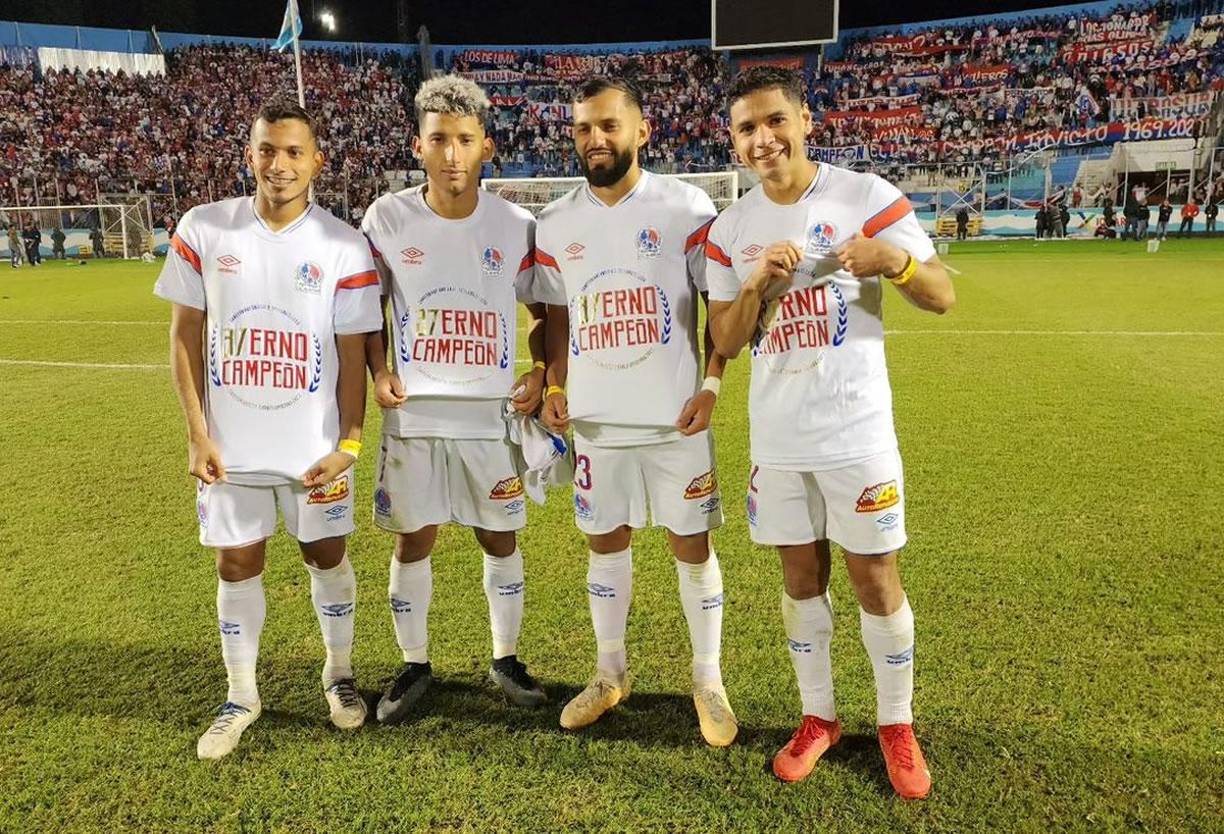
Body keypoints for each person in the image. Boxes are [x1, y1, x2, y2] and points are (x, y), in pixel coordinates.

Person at [705, 66, 955, 800]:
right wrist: (754, 285)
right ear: (733, 140)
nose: (763, 138)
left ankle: (895, 723)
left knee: (875, 577)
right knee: (799, 579)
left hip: (857, 433)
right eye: (747, 128)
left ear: (806, 120)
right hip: (778, 440)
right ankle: (819, 717)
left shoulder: (865, 197)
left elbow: (941, 294)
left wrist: (896, 261)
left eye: (775, 121)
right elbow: (722, 337)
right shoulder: (730, 229)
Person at [153, 100, 382, 760]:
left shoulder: (342, 244)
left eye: (292, 153)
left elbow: (352, 352)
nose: (279, 164)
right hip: (232, 448)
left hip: (313, 451)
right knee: (236, 561)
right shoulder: (206, 229)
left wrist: (349, 444)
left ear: (317, 161)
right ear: (249, 155)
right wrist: (197, 434)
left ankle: (338, 677)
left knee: (326, 557)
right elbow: (184, 337)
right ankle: (241, 694)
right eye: (266, 150)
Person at [535, 77, 736, 747]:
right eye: (584, 128)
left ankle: (707, 679)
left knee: (691, 544)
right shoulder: (557, 222)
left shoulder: (687, 207)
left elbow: (718, 305)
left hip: (675, 417)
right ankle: (609, 672)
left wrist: (711, 383)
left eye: (609, 126)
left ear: (642, 131)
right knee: (604, 543)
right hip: (596, 421)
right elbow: (555, 317)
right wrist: (554, 381)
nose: (595, 139)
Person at [359, 75, 550, 723]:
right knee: (414, 540)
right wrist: (378, 369)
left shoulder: (517, 225)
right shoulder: (387, 218)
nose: (451, 154)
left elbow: (544, 308)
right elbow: (365, 308)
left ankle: (507, 656)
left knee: (501, 537)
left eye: (464, 140)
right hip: (413, 416)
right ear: (418, 144)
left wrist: (544, 365)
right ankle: (414, 664)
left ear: (485, 146)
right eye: (439, 139)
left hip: (490, 419)